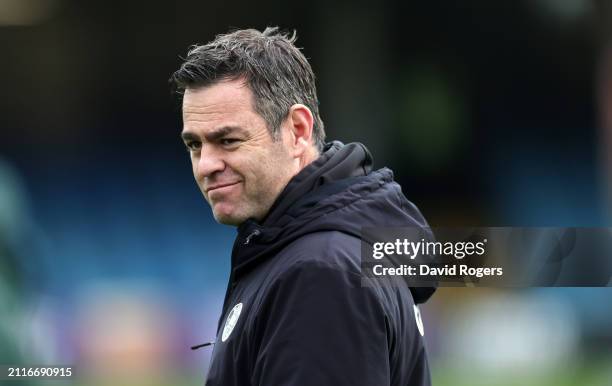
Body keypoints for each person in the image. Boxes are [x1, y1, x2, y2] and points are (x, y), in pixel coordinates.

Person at [170, 27, 435, 386]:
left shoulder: (321, 271)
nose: (206, 165)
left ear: (297, 130)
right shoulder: (303, 249)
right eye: (195, 146)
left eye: (228, 140)